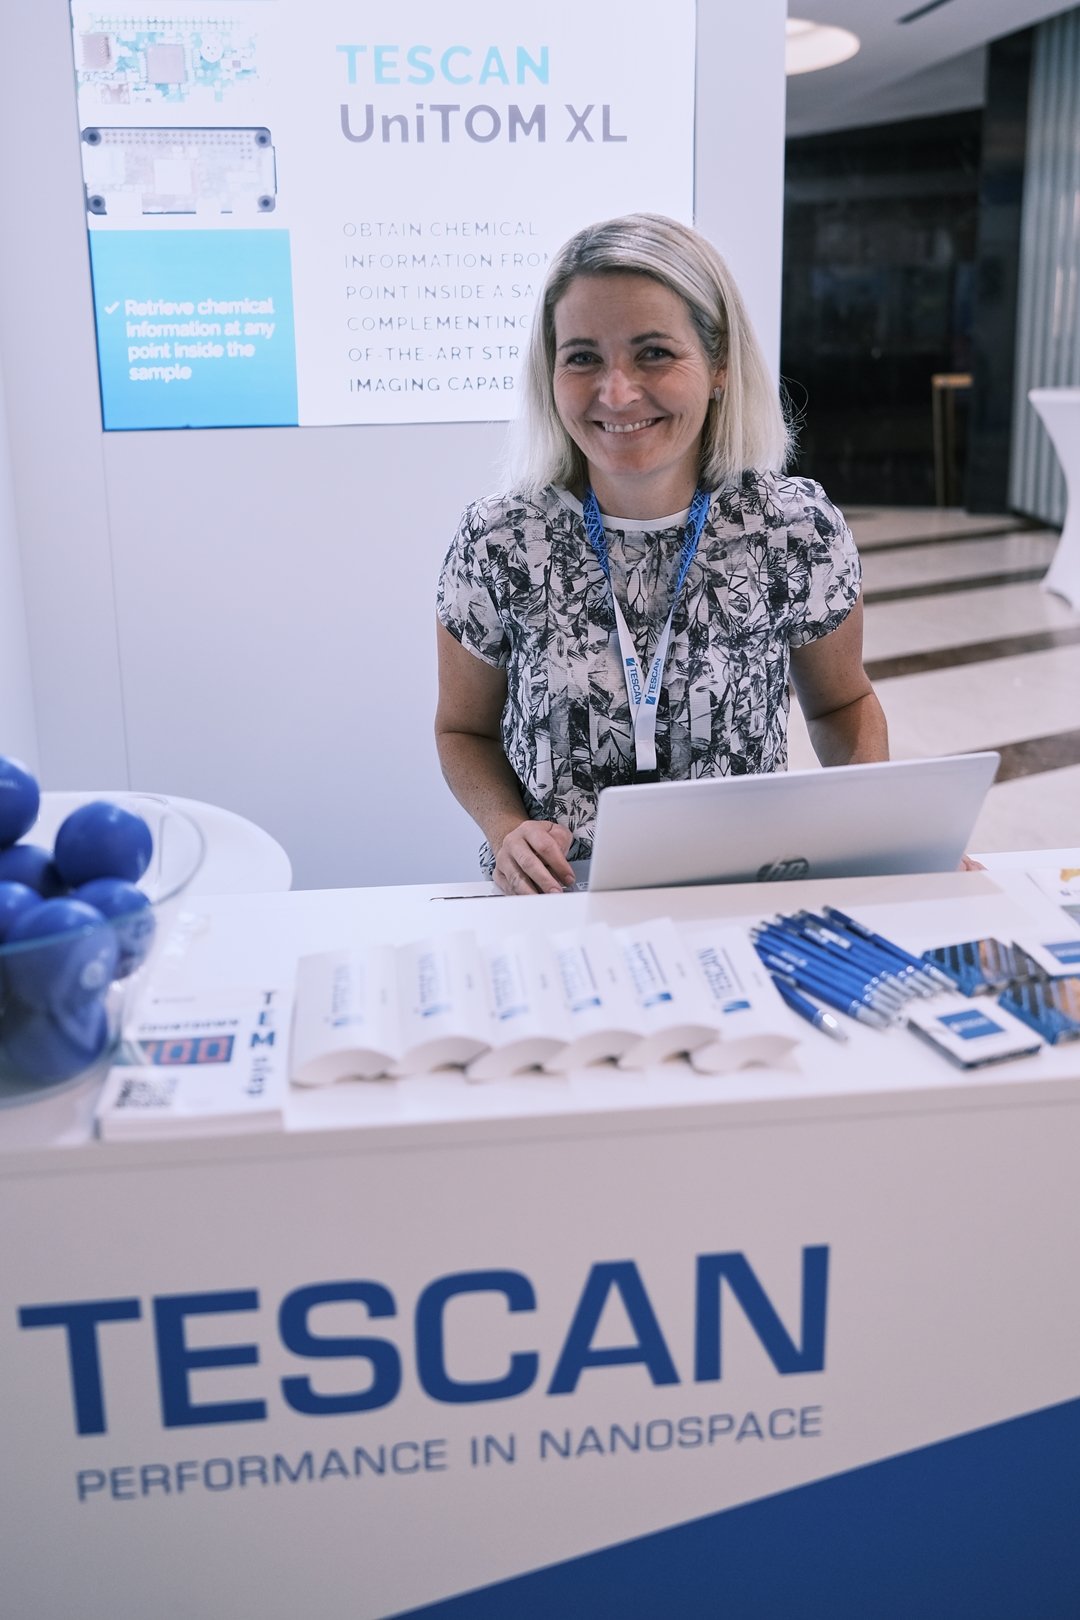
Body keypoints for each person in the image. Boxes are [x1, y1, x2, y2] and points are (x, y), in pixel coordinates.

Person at [435, 213, 889, 895]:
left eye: (652, 353)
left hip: (743, 892)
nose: (616, 393)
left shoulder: (793, 528)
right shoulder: (499, 539)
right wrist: (506, 829)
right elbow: (462, 731)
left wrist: (880, 833)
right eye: (582, 357)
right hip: (559, 900)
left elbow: (841, 705)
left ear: (718, 365)